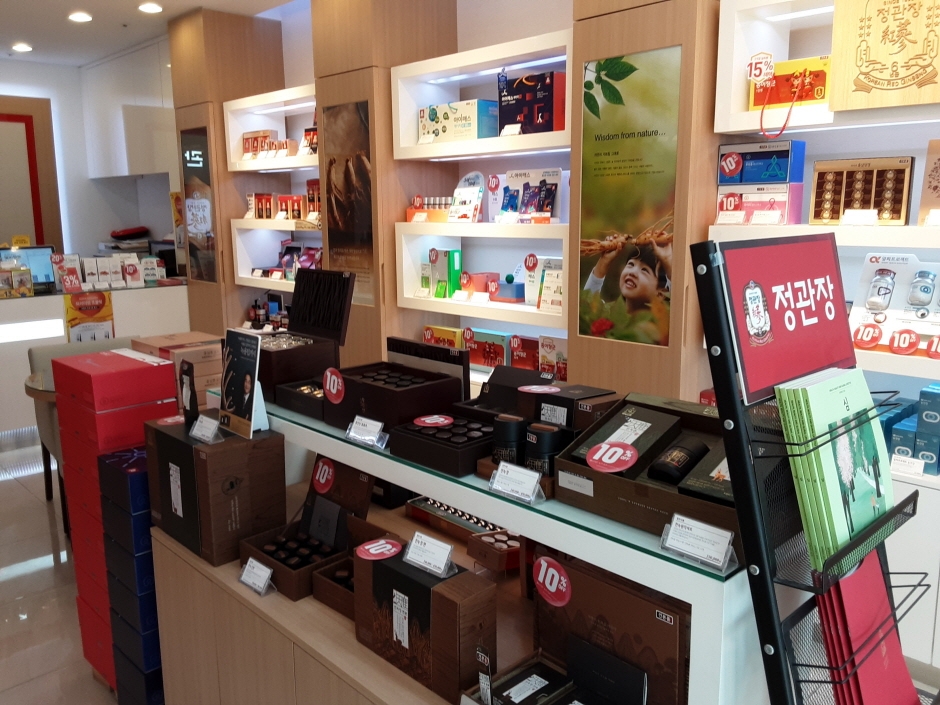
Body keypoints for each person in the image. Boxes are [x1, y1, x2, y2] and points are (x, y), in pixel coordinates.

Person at [584, 237, 672, 313]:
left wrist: (667, 261)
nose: (632, 272)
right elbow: (587, 307)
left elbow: (677, 300)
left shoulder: (664, 323)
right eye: (631, 264)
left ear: (661, 294)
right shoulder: (606, 317)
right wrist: (604, 261)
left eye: (644, 270)